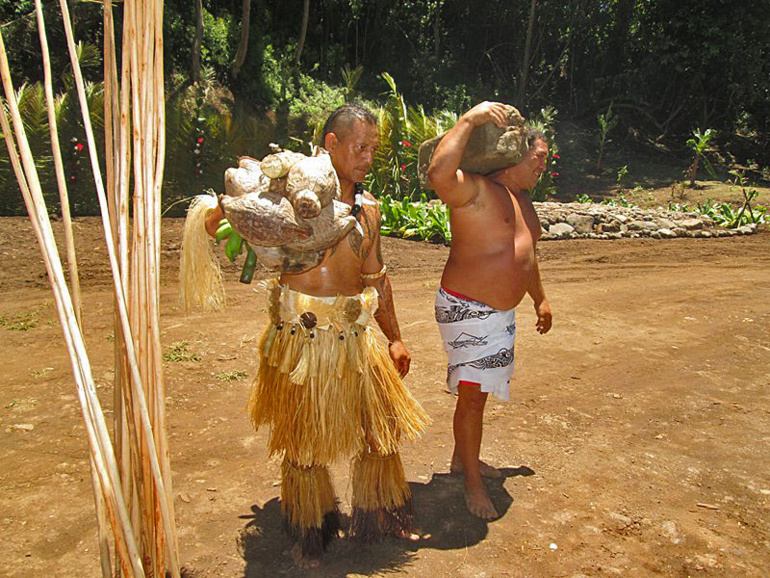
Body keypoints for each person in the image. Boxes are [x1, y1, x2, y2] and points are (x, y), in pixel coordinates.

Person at [205, 103, 428, 568]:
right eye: (359, 146)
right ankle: (311, 530)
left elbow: (376, 278)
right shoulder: (287, 200)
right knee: (304, 443)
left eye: (373, 148)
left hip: (355, 337)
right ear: (331, 144)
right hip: (301, 342)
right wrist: (217, 219)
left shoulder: (369, 210)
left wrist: (396, 337)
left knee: (379, 431)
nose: (368, 156)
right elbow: (229, 224)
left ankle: (379, 513)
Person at [427, 101, 553, 520]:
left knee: (475, 393)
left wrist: (539, 297)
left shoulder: (523, 203)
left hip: (499, 316)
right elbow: (438, 175)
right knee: (473, 399)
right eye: (539, 157)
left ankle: (464, 459)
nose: (543, 166)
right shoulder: (477, 190)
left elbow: (526, 256)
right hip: (468, 308)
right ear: (517, 153)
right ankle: (471, 484)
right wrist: (469, 119)